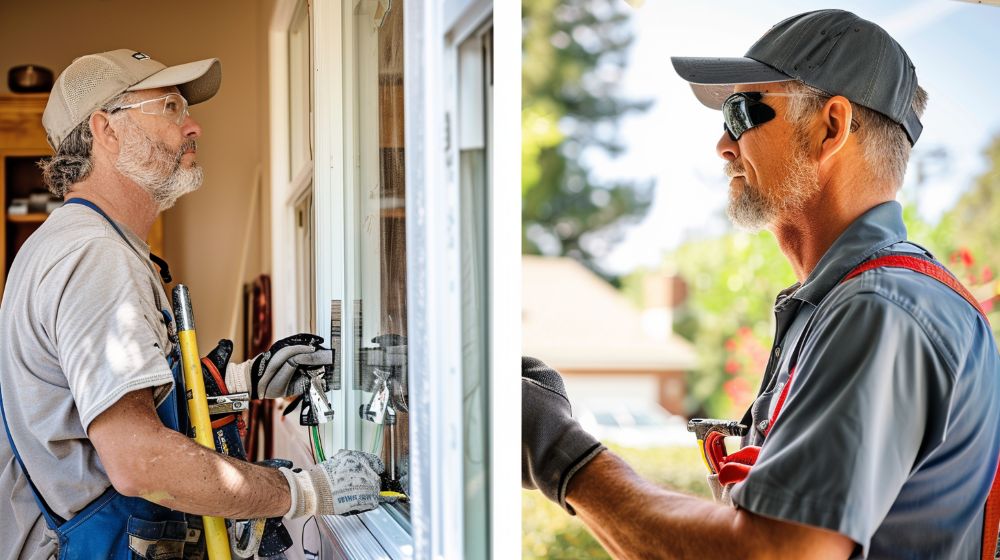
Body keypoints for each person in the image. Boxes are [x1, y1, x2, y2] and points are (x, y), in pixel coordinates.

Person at [523, 10, 1000, 559]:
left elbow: (773, 552)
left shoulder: (880, 310)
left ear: (831, 127)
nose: (723, 145)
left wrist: (558, 452)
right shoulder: (849, 304)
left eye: (743, 112)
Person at [0, 49, 387, 559]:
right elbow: (141, 462)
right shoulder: (95, 257)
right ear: (105, 130)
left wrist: (243, 382)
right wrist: (306, 491)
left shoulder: (77, 243)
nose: (193, 126)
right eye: (170, 108)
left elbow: (101, 407)